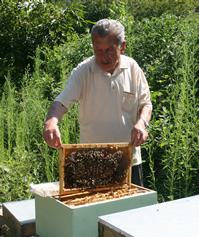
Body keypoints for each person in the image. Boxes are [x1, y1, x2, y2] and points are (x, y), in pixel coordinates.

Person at [42, 19, 152, 186]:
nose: (103, 57)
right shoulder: (82, 71)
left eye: (109, 50)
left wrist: (142, 123)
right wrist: (51, 123)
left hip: (129, 159)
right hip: (91, 162)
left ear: (122, 47)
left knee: (132, 210)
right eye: (98, 50)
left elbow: (146, 104)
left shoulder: (133, 68)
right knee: (92, 210)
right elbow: (62, 102)